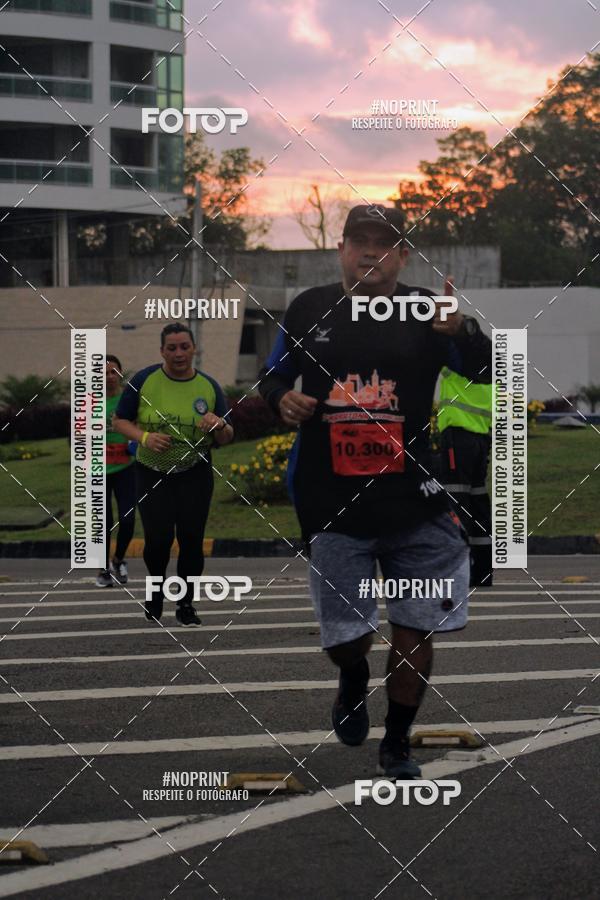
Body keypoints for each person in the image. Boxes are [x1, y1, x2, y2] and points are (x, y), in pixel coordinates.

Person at [258, 203, 492, 778]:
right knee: (347, 638)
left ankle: (398, 741)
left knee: (415, 626)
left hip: (416, 500)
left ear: (402, 255)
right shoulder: (310, 307)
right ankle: (353, 677)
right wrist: (280, 399)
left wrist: (460, 332)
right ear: (340, 249)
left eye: (384, 244)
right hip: (331, 500)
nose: (370, 253)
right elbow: (273, 374)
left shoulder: (426, 308)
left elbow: (489, 371)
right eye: (358, 241)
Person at [113, 323, 233, 626]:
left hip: (195, 473)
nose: (178, 353)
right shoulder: (144, 380)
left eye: (184, 347)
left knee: (191, 540)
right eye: (172, 348)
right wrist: (144, 438)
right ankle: (155, 595)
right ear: (162, 351)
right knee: (158, 540)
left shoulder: (209, 386)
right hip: (151, 472)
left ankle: (186, 605)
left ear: (194, 349)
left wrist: (219, 426)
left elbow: (227, 436)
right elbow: (120, 421)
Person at [438, 365, 493, 587]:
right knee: (478, 502)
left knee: (456, 503)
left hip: (457, 439)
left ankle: (457, 571)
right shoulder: (489, 367)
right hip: (481, 439)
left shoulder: (455, 365)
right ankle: (483, 571)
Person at [96, 355, 136, 588]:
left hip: (127, 469)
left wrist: (134, 444)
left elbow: (140, 429)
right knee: (104, 521)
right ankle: (102, 569)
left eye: (114, 372)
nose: (110, 377)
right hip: (98, 471)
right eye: (105, 372)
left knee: (128, 519)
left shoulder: (129, 401)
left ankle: (118, 560)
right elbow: (76, 439)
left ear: (121, 374)